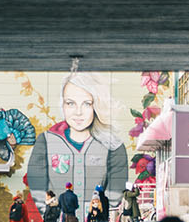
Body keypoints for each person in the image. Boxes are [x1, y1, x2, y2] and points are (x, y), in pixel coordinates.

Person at [25, 71, 128, 212]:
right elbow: (37, 185)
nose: (78, 112)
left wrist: (100, 217)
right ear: (62, 105)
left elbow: (116, 191)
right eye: (70, 103)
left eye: (86, 104)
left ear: (96, 106)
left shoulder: (113, 145)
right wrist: (51, 215)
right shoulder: (46, 141)